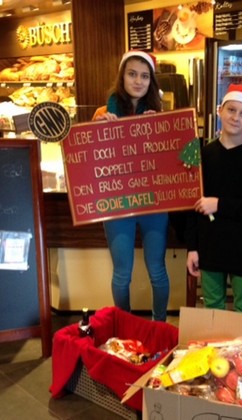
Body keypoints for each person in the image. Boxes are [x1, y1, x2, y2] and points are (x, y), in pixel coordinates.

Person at [185, 84, 242, 316]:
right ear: (219, 111)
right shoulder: (203, 155)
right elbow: (191, 207)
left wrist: (219, 204)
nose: (235, 117)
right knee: (212, 308)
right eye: (231, 110)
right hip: (209, 245)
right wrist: (192, 248)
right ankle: (214, 354)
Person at [94, 50, 170, 321]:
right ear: (122, 76)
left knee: (157, 270)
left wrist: (160, 128)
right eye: (132, 74)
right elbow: (91, 163)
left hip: (153, 203)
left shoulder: (160, 114)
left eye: (145, 76)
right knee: (122, 273)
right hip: (117, 204)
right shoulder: (103, 112)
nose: (138, 81)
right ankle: (124, 325)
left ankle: (159, 323)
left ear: (151, 81)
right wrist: (96, 130)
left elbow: (172, 162)